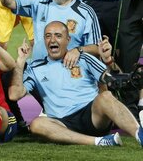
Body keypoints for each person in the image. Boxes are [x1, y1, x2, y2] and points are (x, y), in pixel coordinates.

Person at [8, 21, 143, 147]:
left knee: (106, 96)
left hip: (92, 116)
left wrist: (108, 60)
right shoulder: (34, 67)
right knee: (36, 124)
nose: (52, 40)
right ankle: (98, 142)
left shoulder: (84, 58)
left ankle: (139, 134)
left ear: (68, 40)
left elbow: (112, 79)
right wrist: (20, 62)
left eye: (58, 36)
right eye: (48, 36)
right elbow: (14, 95)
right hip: (61, 123)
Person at [1, 0, 101, 63]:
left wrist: (78, 50)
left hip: (69, 70)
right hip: (39, 70)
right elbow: (9, 3)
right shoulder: (39, 2)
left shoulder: (86, 12)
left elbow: (97, 48)